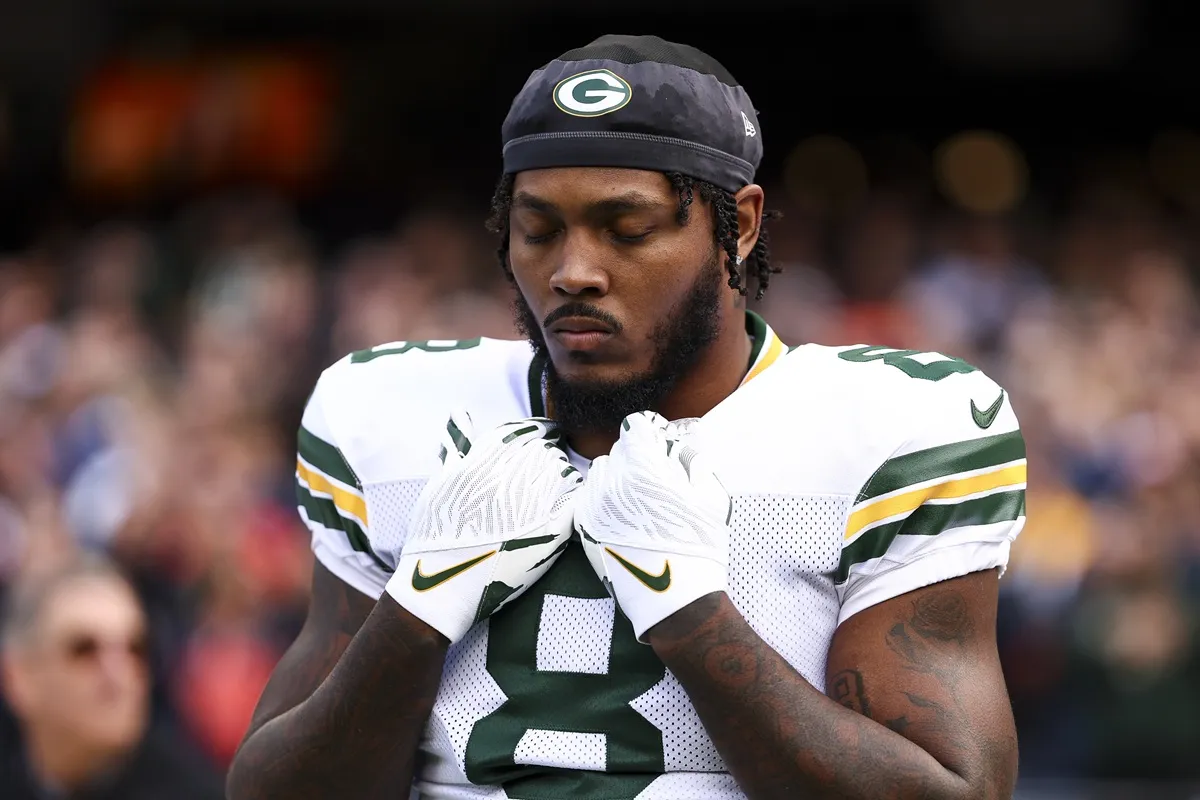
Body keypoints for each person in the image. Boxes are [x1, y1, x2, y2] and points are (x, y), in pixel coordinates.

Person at [227, 34, 1026, 799]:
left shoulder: (896, 425)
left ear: (740, 226)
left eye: (628, 230)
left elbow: (953, 790)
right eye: (538, 229)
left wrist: (692, 617)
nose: (574, 271)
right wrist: (418, 610)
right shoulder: (386, 407)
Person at [0, 552, 223, 800]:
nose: (117, 672)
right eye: (85, 649)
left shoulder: (196, 791)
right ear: (18, 676)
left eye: (135, 649)